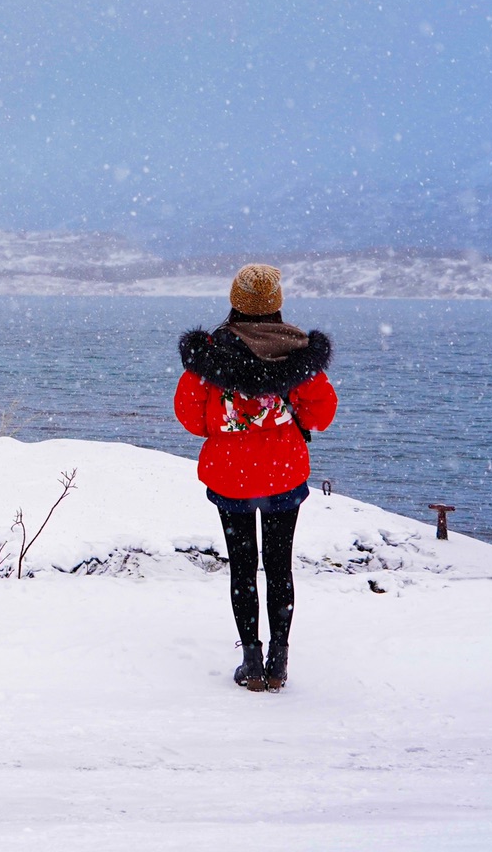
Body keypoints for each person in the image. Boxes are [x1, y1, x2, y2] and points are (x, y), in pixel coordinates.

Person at [173, 264, 336, 692]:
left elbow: (191, 418)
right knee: (279, 568)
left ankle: (251, 660)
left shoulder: (210, 358)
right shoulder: (298, 357)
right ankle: (279, 661)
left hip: (231, 480)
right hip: (284, 477)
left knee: (243, 569)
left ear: (235, 303)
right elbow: (321, 415)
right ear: (277, 305)